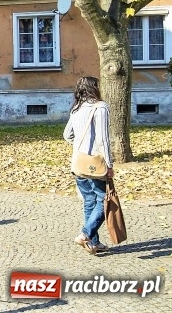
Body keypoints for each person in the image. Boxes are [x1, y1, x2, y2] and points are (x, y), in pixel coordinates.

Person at [63, 76, 114, 254]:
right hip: (96, 162)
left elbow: (67, 135)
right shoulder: (100, 107)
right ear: (95, 88)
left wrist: (80, 147)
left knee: (89, 202)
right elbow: (103, 139)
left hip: (78, 162)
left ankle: (94, 243)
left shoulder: (76, 109)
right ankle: (85, 234)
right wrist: (109, 164)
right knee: (103, 201)